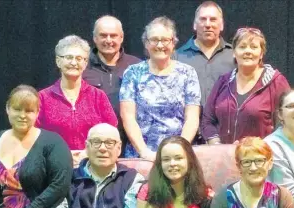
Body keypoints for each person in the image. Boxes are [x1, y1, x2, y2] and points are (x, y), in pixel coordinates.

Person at [120, 16, 201, 160]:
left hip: (178, 156)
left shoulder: (188, 73)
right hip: (141, 156)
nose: (159, 45)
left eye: (165, 40)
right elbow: (128, 117)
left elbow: (192, 118)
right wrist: (144, 152)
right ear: (146, 43)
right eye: (154, 39)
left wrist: (180, 149)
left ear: (173, 42)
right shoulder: (132, 73)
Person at [36, 35, 117, 167]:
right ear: (58, 61)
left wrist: (88, 153)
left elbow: (111, 131)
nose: (74, 63)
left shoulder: (98, 96)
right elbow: (34, 137)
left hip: (93, 165)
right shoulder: (42, 98)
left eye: (79, 58)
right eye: (68, 57)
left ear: (85, 64)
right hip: (53, 166)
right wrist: (62, 154)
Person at [201, 27, 290, 144]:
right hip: (225, 157)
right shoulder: (223, 81)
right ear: (234, 52)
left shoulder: (276, 82)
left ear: (261, 53)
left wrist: (260, 148)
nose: (247, 51)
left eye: (253, 47)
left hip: (260, 158)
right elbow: (208, 120)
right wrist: (217, 144)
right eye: (242, 47)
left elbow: (287, 122)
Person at [83, 15, 141, 156]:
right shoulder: (82, 66)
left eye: (113, 36)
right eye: (103, 35)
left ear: (121, 38)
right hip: (94, 144)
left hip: (130, 144)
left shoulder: (137, 66)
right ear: (94, 38)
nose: (108, 40)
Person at [175, 1, 234, 107]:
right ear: (194, 24)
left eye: (213, 19)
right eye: (203, 19)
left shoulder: (234, 56)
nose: (208, 24)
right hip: (188, 122)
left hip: (225, 123)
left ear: (222, 25)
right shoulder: (177, 57)